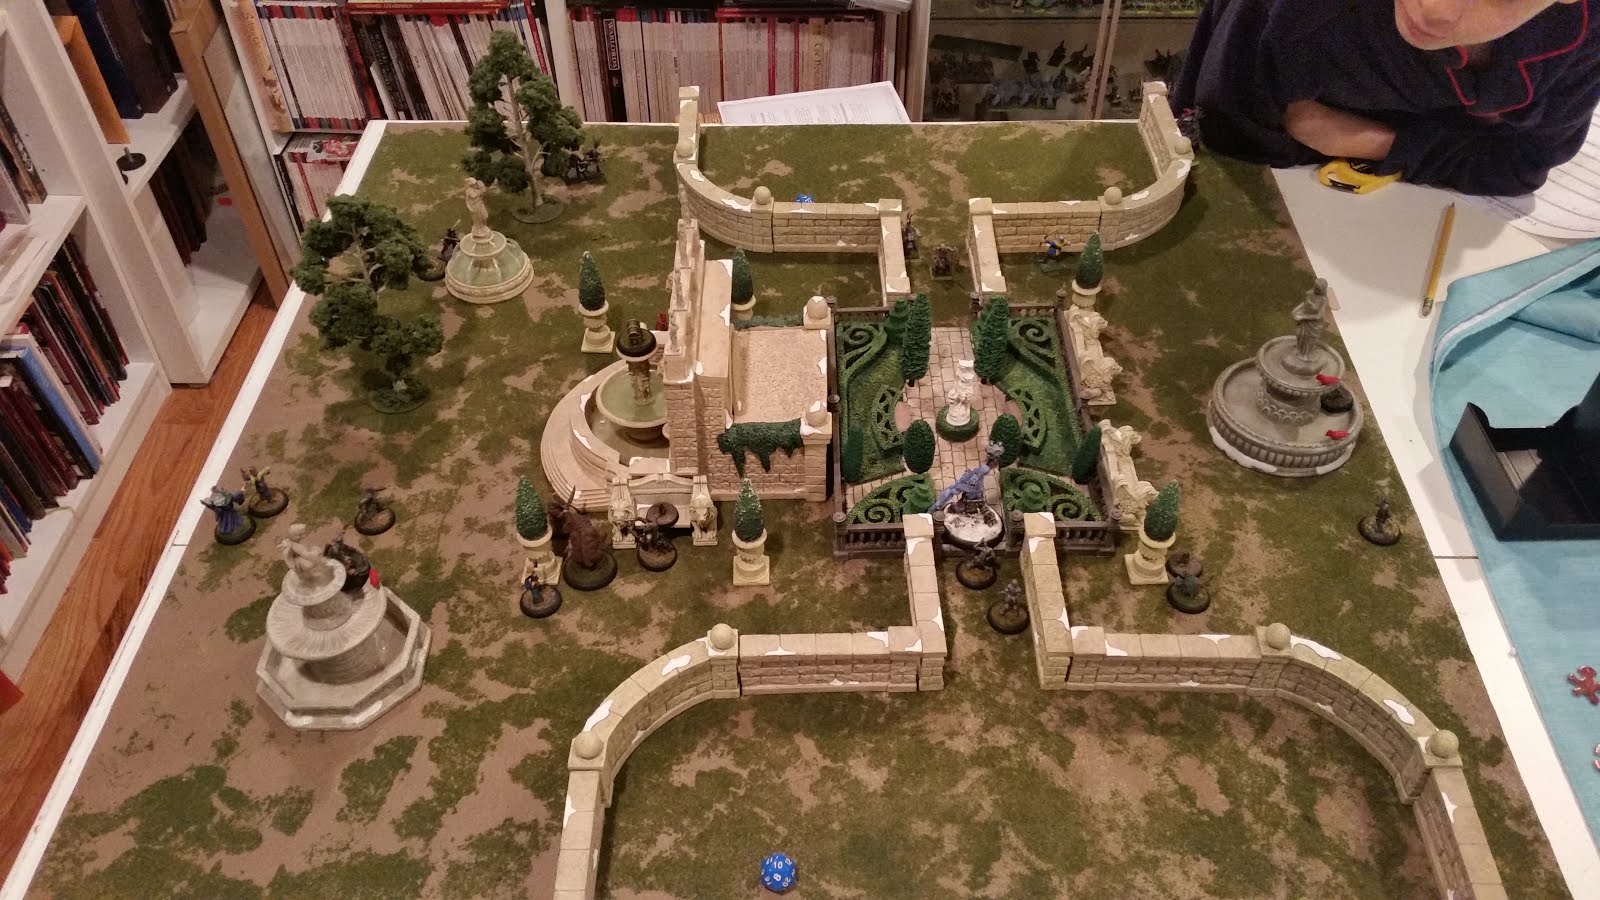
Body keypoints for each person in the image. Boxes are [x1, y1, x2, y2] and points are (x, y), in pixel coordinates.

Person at [1173, 0, 1600, 196]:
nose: (1435, 11)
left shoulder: (1585, 39)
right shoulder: (1291, 16)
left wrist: (1379, 142)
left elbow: (1522, 165)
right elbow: (1228, 142)